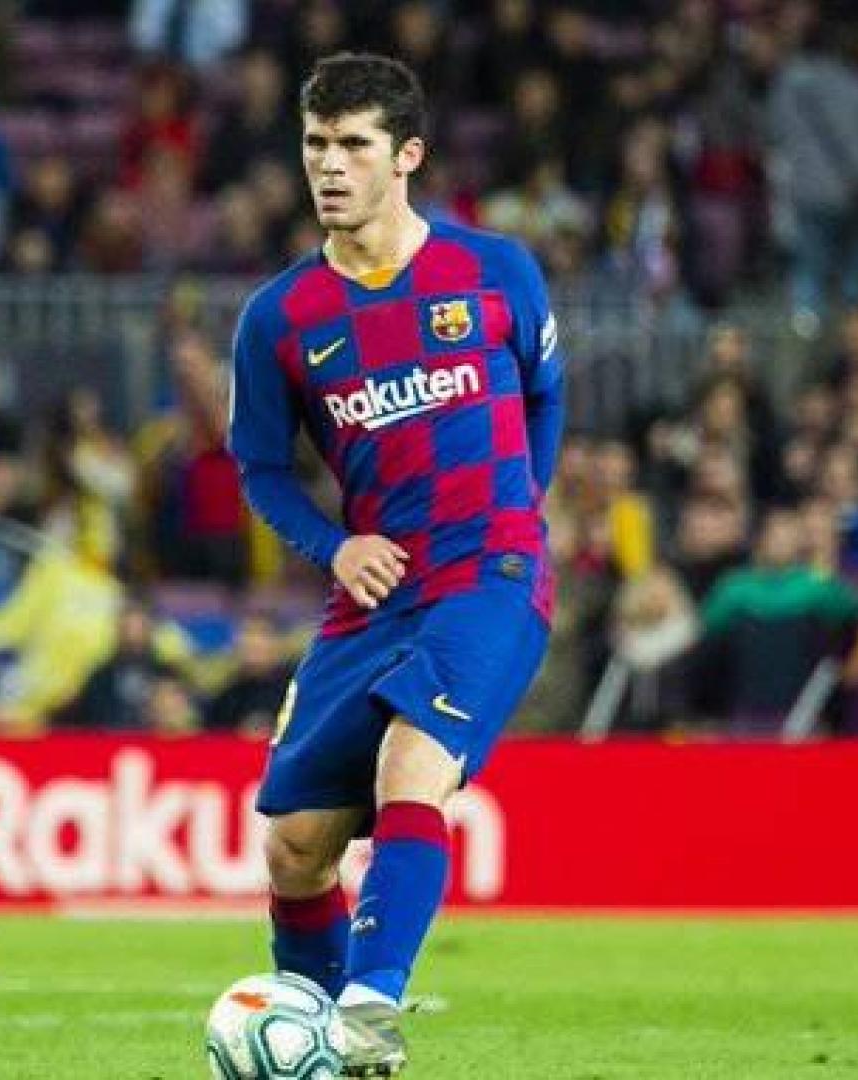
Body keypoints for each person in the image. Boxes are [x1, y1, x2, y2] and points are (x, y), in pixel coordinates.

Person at [226, 54, 562, 1075]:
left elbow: (545, 394)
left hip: (489, 572)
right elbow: (259, 470)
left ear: (407, 155)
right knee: (294, 847)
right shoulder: (279, 318)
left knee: (413, 765)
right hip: (373, 595)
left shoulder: (495, 271)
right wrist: (337, 546)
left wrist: (521, 508)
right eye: (315, 144)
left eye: (354, 145)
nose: (330, 166)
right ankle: (322, 1043)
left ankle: (367, 1022)